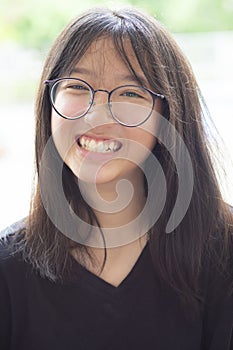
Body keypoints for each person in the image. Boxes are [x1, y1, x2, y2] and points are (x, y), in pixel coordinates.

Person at [0, 6, 232, 350]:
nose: (97, 115)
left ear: (169, 115)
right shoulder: (8, 268)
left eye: (130, 93)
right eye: (77, 86)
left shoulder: (223, 253)